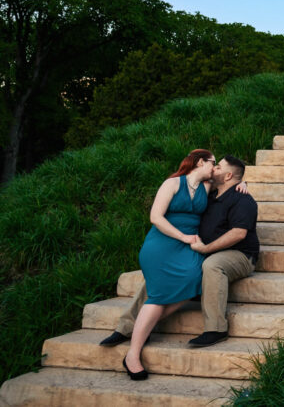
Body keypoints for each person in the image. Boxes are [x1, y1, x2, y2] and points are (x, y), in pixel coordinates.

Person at [99, 150, 258, 381]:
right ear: (201, 163)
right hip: (167, 243)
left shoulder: (224, 192)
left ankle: (142, 331)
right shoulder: (189, 186)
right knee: (157, 286)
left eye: (218, 166)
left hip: (210, 251)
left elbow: (236, 206)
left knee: (192, 277)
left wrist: (244, 183)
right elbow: (156, 216)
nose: (215, 169)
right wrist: (187, 239)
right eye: (214, 164)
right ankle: (128, 333)